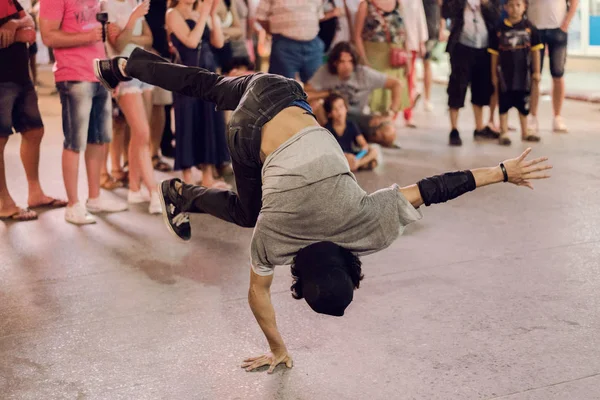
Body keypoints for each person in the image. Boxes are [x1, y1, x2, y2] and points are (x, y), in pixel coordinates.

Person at [94, 47, 552, 372]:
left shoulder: (369, 228)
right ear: (299, 278)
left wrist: (501, 172)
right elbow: (257, 295)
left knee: (204, 83)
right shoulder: (274, 239)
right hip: (250, 132)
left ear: (353, 269)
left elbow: (432, 189)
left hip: (281, 92)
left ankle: (126, 63)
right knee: (249, 211)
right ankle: (182, 195)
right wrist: (277, 349)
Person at [40, 0, 128, 225]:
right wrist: (88, 37)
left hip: (99, 74)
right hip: (73, 75)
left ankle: (95, 197)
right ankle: (72, 205)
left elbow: (100, 38)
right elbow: (48, 36)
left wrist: (110, 73)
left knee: (98, 140)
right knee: (74, 142)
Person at [0, 0, 67, 222]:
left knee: (34, 130)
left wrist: (14, 25)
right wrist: (20, 32)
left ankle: (35, 192)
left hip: (20, 76)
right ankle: (4, 202)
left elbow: (30, 25)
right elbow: (25, 33)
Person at [166, 0, 231, 188]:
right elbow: (191, 42)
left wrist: (211, 15)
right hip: (187, 76)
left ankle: (207, 176)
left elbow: (218, 42)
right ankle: (187, 178)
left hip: (208, 73)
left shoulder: (200, 13)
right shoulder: (173, 14)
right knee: (187, 121)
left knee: (209, 120)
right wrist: (203, 15)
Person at [106, 0, 162, 214]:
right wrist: (132, 19)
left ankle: (134, 187)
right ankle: (154, 191)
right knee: (142, 131)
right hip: (122, 73)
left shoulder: (135, 3)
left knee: (140, 135)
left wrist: (129, 33)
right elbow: (118, 46)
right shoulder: (108, 5)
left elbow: (148, 38)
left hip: (142, 70)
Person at [305, 41, 402, 147]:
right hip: (332, 118)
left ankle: (359, 145)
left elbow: (396, 84)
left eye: (350, 61)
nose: (346, 66)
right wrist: (327, 93)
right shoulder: (325, 72)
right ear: (334, 63)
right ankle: (326, 143)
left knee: (389, 133)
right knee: (314, 105)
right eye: (342, 62)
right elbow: (304, 93)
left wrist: (390, 114)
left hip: (359, 117)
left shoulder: (363, 73)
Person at [442, 0, 501, 146]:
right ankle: (454, 128)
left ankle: (479, 127)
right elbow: (447, 11)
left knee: (481, 88)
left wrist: (486, 4)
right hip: (461, 47)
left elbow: (496, 17)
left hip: (484, 48)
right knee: (457, 86)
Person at [488, 0, 544, 146]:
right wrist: (493, 74)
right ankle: (504, 131)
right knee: (504, 103)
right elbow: (494, 55)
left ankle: (525, 132)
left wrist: (536, 72)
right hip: (504, 75)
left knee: (523, 103)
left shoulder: (530, 28)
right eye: (511, 5)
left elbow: (536, 51)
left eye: (518, 5)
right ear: (505, 7)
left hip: (523, 74)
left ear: (524, 7)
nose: (515, 9)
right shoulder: (499, 29)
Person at [527, 0, 579, 134]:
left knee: (558, 73)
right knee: (534, 75)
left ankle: (557, 117)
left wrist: (566, 23)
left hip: (557, 28)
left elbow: (574, 1)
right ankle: (532, 116)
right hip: (535, 29)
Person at [255, 0, 324, 82]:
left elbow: (318, 16)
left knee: (317, 85)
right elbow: (260, 17)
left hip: (313, 45)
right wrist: (275, 31)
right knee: (281, 86)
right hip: (284, 44)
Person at [323, 92, 379, 171]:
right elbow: (327, 151)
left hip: (353, 157)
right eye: (335, 109)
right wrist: (345, 156)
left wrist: (357, 159)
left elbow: (364, 146)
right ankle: (361, 165)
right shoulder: (327, 129)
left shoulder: (351, 125)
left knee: (374, 151)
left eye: (341, 107)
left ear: (346, 108)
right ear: (330, 114)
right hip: (338, 157)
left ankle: (356, 165)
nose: (339, 112)